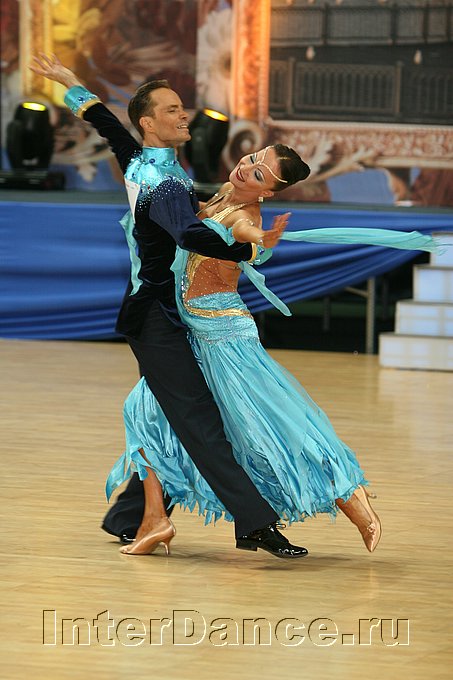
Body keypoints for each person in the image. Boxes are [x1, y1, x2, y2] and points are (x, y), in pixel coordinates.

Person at [30, 53, 309, 559]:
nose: (184, 116)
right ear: (149, 123)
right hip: (155, 318)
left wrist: (72, 84)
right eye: (173, 110)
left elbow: (108, 126)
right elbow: (189, 234)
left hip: (157, 314)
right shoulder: (164, 182)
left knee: (165, 417)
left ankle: (134, 517)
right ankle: (254, 523)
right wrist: (247, 251)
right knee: (199, 419)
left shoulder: (143, 163)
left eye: (182, 108)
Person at [106, 144, 441, 557]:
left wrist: (259, 240)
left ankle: (352, 497)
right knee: (145, 413)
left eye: (259, 175)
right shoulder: (220, 196)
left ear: (266, 192)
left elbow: (248, 235)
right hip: (190, 331)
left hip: (223, 337)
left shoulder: (245, 216)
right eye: (252, 160)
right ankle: (154, 520)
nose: (246, 169)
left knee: (272, 426)